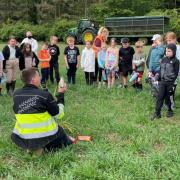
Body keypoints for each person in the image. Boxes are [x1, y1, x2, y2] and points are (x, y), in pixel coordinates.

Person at [11, 68, 75, 155]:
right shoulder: (44, 95)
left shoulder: (16, 94)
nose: (40, 78)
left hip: (22, 137)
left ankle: (31, 147)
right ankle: (42, 147)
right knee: (64, 136)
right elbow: (59, 115)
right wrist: (61, 94)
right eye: (39, 75)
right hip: (45, 136)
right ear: (34, 79)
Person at [152, 44, 179, 120]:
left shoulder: (176, 61)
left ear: (174, 51)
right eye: (166, 51)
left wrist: (172, 83)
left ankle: (170, 110)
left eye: (169, 51)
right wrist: (157, 78)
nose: (167, 52)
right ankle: (157, 113)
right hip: (163, 82)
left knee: (168, 98)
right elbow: (161, 70)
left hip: (170, 83)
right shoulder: (163, 59)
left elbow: (176, 73)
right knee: (159, 97)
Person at [164, 32, 180, 109]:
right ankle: (169, 103)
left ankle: (171, 105)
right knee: (170, 88)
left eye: (170, 40)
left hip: (176, 71)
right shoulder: (167, 48)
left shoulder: (178, 48)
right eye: (167, 41)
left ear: (175, 39)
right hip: (169, 72)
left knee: (172, 87)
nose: (168, 42)